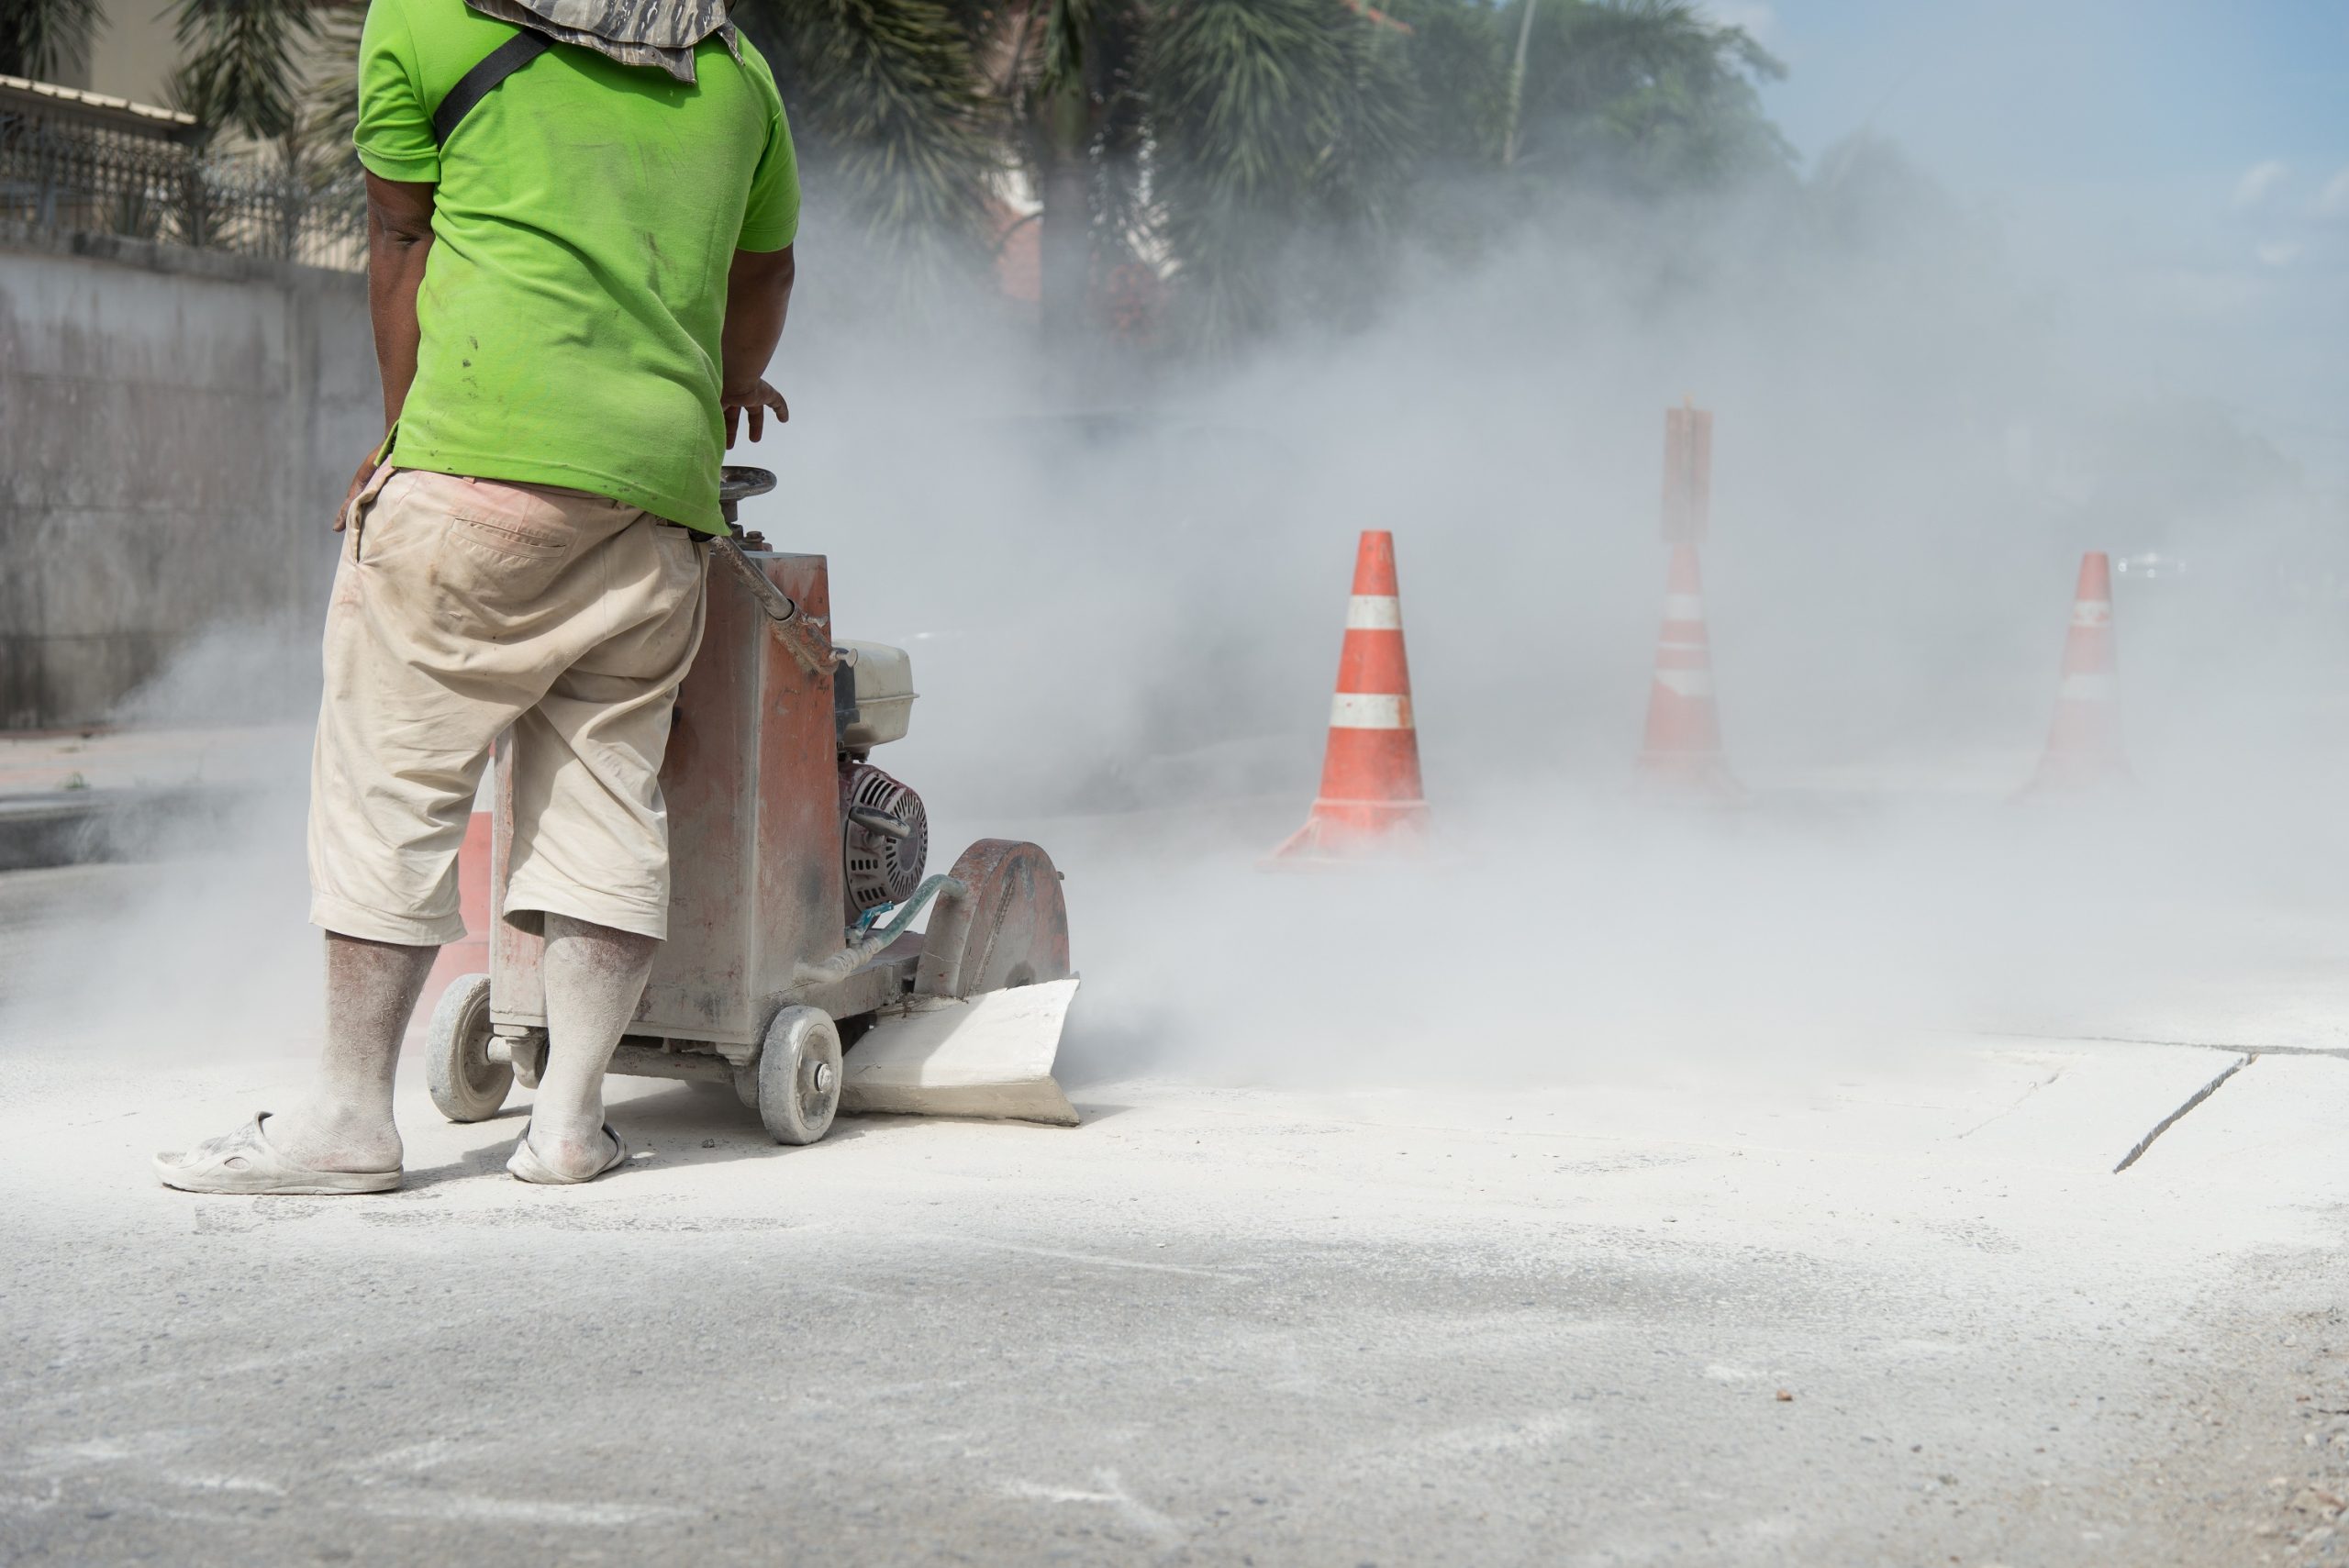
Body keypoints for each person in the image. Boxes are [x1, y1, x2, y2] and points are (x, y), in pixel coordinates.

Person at [153, 0, 798, 1192]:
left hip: (475, 460)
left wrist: (401, 432)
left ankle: (351, 1115)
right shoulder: (737, 71)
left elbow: (402, 241)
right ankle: (567, 1122)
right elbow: (765, 273)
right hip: (654, 492)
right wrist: (724, 387)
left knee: (392, 774)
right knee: (608, 785)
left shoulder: (429, 20)